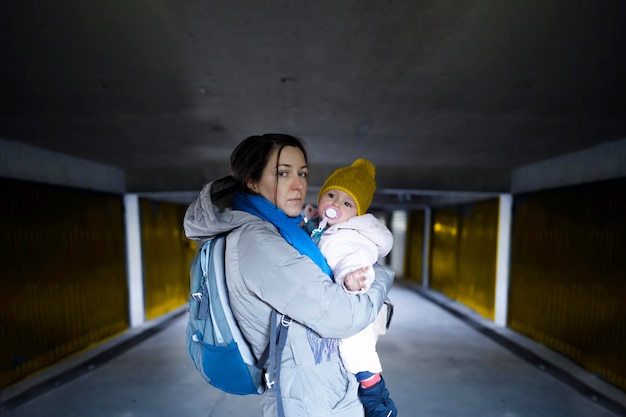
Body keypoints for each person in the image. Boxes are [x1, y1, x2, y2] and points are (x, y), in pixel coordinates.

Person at [183, 133, 395, 417]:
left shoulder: (285, 232)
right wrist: (380, 274)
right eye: (283, 173)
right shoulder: (259, 243)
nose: (299, 185)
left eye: (303, 173)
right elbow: (343, 316)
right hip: (311, 402)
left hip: (321, 392)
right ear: (252, 181)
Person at [303, 158, 397, 417]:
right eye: (331, 195)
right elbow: (318, 236)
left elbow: (348, 260)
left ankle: (377, 399)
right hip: (343, 299)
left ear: (356, 214)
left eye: (346, 203)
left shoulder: (349, 238)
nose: (334, 205)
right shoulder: (332, 227)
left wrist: (349, 280)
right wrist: (311, 221)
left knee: (355, 352)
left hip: (354, 298)